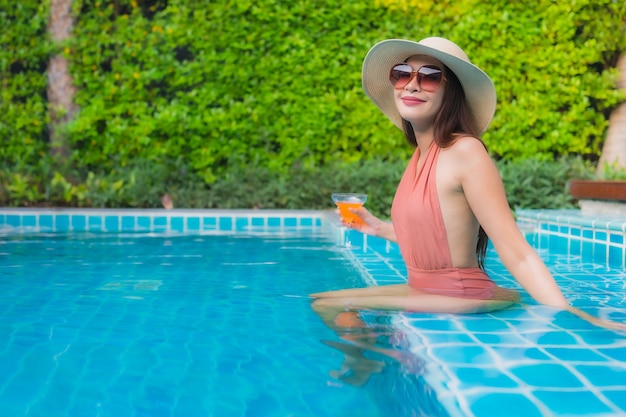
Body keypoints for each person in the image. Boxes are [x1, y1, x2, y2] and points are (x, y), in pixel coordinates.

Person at [311, 37, 626, 344]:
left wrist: (570, 313)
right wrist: (378, 228)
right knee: (320, 297)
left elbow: (517, 252)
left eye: (430, 77)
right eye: (402, 74)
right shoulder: (421, 155)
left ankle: (369, 365)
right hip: (424, 288)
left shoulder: (465, 152)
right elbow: (439, 236)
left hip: (460, 293)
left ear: (452, 93)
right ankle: (373, 363)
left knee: (330, 305)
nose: (411, 84)